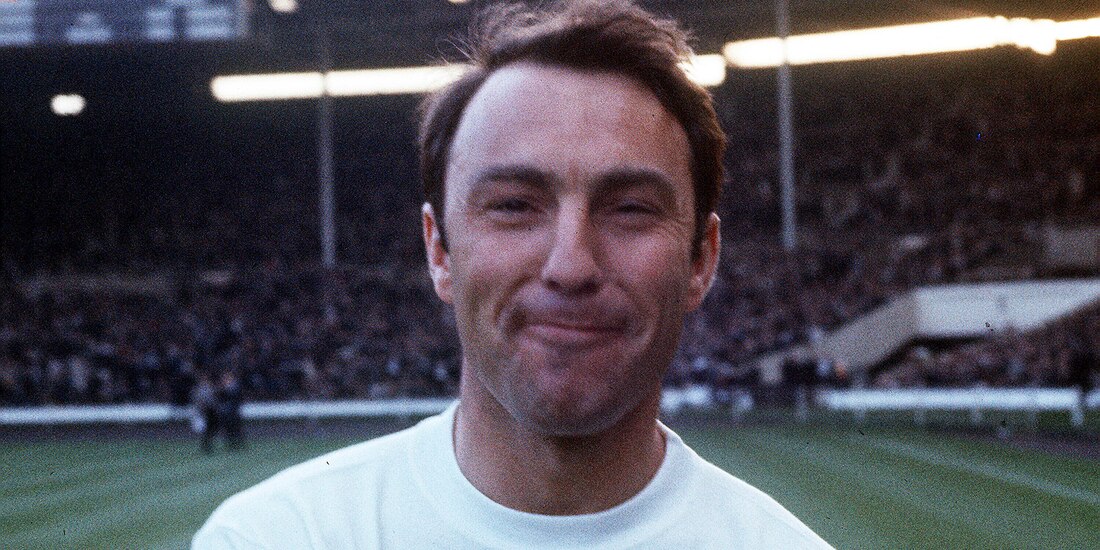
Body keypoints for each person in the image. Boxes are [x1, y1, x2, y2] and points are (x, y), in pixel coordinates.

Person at [194, 1, 832, 547]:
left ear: (701, 260)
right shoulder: (274, 537)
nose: (571, 265)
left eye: (631, 209)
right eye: (514, 206)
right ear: (439, 250)